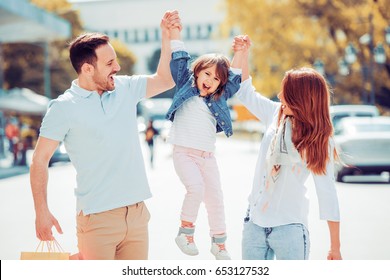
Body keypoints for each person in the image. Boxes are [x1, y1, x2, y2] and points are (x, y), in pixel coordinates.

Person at [29, 10, 182, 260]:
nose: (118, 67)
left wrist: (166, 37)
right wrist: (41, 211)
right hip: (97, 220)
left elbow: (165, 80)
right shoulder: (63, 107)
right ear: (88, 69)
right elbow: (39, 160)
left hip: (136, 215)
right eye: (109, 63)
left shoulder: (125, 88)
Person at [231, 35, 342, 260]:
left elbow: (327, 193)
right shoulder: (276, 115)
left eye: (286, 93)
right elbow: (245, 92)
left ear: (302, 100)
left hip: (290, 228)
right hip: (254, 224)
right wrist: (243, 54)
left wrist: (335, 247)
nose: (280, 96)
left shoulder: (318, 140)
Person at [165, 24, 242, 260]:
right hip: (184, 154)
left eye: (216, 78)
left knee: (215, 199)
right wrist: (175, 32)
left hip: (207, 157)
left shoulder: (219, 97)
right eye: (206, 73)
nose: (210, 80)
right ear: (197, 73)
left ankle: (219, 243)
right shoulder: (185, 85)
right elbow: (179, 60)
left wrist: (240, 51)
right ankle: (185, 233)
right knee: (195, 189)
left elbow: (235, 79)